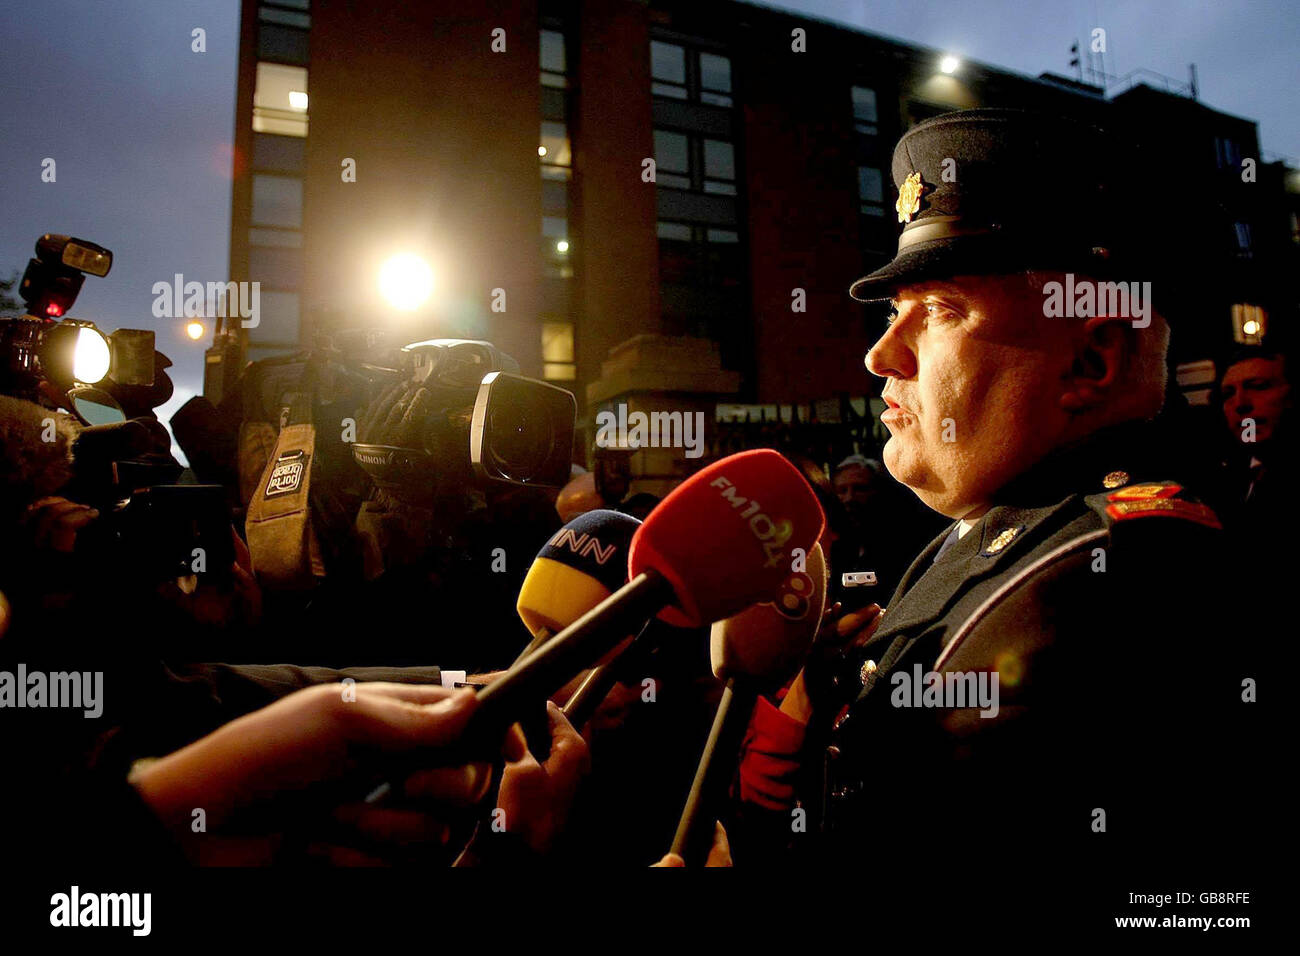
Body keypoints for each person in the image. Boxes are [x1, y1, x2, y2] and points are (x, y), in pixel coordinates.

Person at [724, 109, 1263, 876]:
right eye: (891, 313)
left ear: (1091, 360)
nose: (880, 355)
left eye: (941, 310)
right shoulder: (993, 532)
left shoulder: (1111, 581)